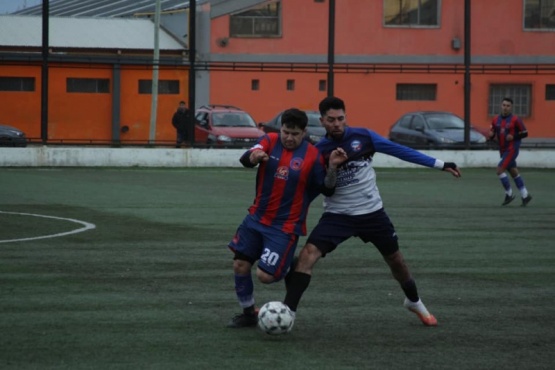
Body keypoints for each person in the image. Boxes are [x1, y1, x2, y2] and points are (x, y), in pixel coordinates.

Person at [283, 96, 462, 327]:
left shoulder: (363, 137)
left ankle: (414, 300)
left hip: (372, 214)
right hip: (338, 216)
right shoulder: (319, 151)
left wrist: (440, 164)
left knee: (396, 261)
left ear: (346, 117)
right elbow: (318, 190)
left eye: (341, 118)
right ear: (322, 121)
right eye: (331, 120)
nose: (337, 123)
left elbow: (399, 150)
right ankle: (288, 312)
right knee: (307, 255)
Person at [226, 108, 346, 328]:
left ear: (304, 132)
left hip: (285, 227)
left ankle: (289, 265)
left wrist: (332, 168)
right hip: (256, 219)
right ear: (280, 129)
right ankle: (248, 314)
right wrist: (253, 157)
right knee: (240, 265)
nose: (289, 138)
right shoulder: (269, 141)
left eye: (295, 134)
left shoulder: (312, 155)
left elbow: (327, 189)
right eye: (285, 132)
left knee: (265, 275)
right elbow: (247, 159)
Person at [488, 97, 532, 206]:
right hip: (503, 149)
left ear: (511, 107)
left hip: (512, 149)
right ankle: (525, 195)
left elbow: (525, 133)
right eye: (504, 105)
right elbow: (493, 132)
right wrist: (491, 135)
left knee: (499, 170)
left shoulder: (516, 120)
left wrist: (514, 136)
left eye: (508, 106)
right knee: (513, 172)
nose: (505, 107)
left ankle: (509, 193)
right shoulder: (495, 120)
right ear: (501, 106)